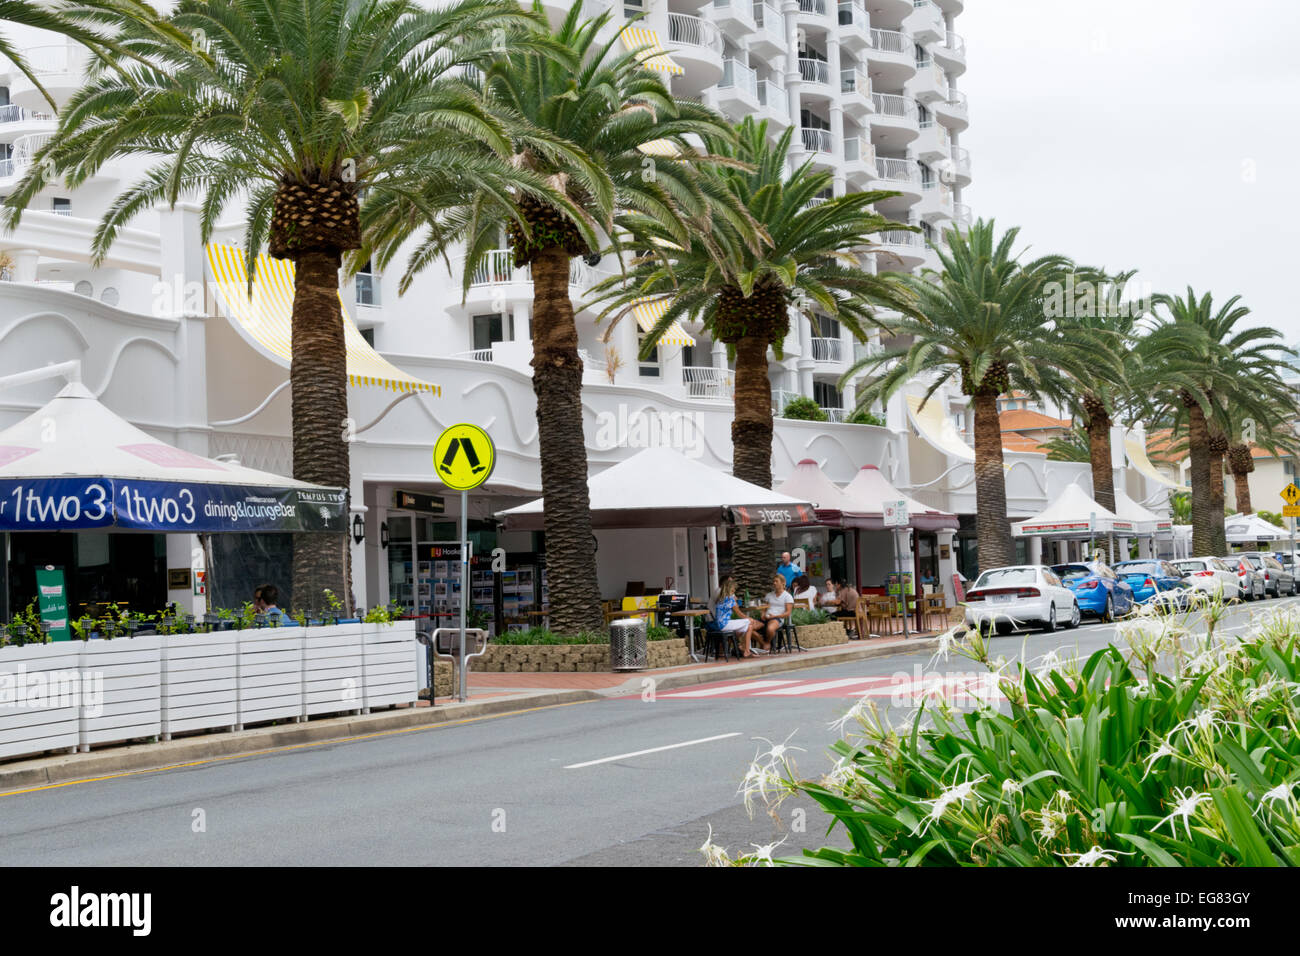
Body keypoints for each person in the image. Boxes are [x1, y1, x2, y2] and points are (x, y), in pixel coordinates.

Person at [711, 576, 762, 658]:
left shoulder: (720, 598)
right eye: (733, 589)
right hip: (725, 624)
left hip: (720, 624)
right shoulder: (730, 599)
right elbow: (739, 613)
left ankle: (745, 649)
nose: (734, 590)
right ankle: (745, 650)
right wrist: (749, 618)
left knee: (749, 626)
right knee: (750, 622)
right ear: (730, 589)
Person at [760, 573, 795, 649]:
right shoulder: (769, 595)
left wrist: (775, 616)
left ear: (783, 583)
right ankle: (763, 643)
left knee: (770, 629)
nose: (774, 583)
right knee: (749, 627)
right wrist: (762, 614)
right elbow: (764, 608)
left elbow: (788, 613)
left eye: (776, 581)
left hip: (777, 618)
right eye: (773, 581)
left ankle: (767, 643)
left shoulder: (787, 596)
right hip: (766, 617)